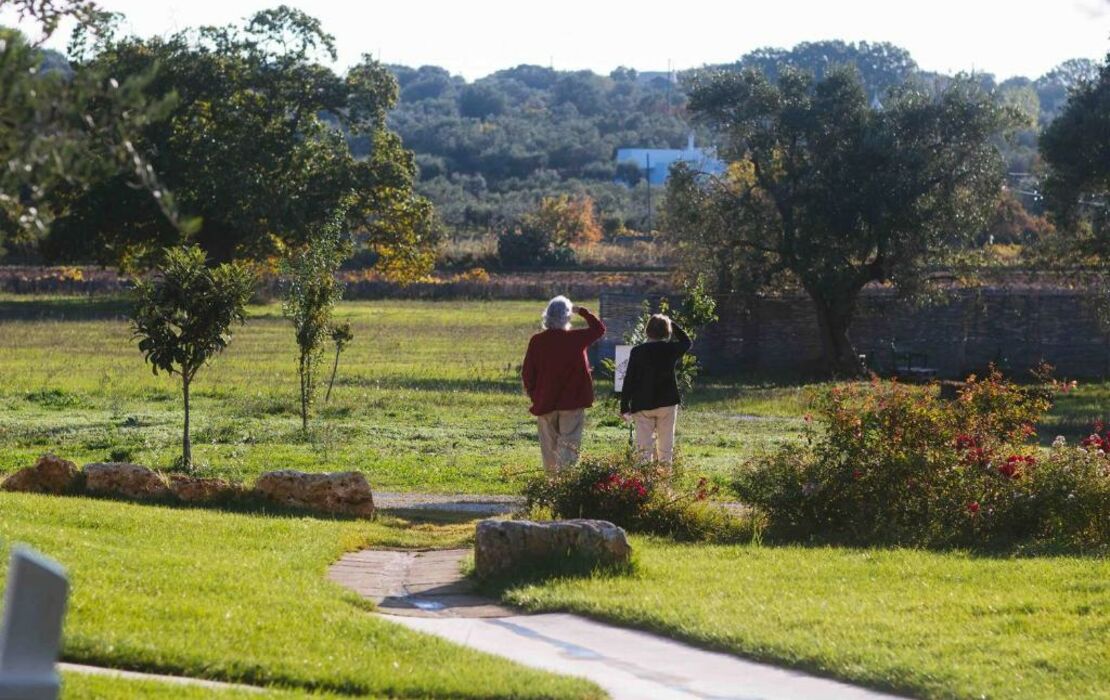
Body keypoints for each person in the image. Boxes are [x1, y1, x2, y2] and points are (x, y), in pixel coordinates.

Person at [521, 296, 606, 472]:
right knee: (569, 445)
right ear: (567, 317)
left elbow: (528, 373)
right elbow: (599, 329)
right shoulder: (576, 338)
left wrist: (534, 394)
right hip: (572, 402)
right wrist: (582, 311)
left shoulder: (537, 341)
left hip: (545, 401)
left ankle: (552, 484)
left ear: (546, 316)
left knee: (549, 448)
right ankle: (566, 483)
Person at [619, 314, 691, 465]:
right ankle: (664, 482)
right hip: (667, 401)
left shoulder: (637, 351)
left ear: (647, 331)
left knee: (643, 448)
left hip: (642, 403)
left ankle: (644, 483)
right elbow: (687, 342)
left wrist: (624, 406)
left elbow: (629, 379)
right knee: (666, 446)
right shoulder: (671, 349)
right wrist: (672, 323)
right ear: (667, 332)